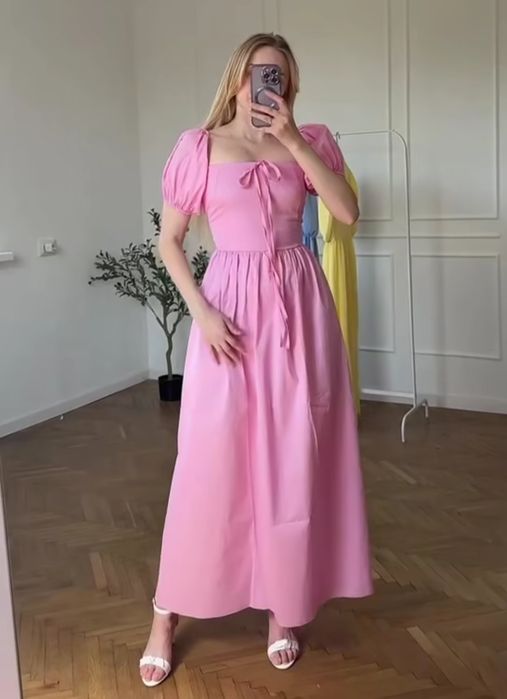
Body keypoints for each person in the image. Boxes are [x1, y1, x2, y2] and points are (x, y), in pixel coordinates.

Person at [140, 33, 373, 688]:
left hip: (301, 314)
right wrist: (202, 313)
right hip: (229, 318)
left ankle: (282, 605)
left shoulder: (312, 139)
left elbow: (346, 213)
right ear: (236, 78)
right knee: (208, 463)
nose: (269, 85)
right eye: (259, 73)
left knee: (295, 461)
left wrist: (293, 140)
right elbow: (169, 241)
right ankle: (164, 614)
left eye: (281, 76)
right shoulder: (198, 147)